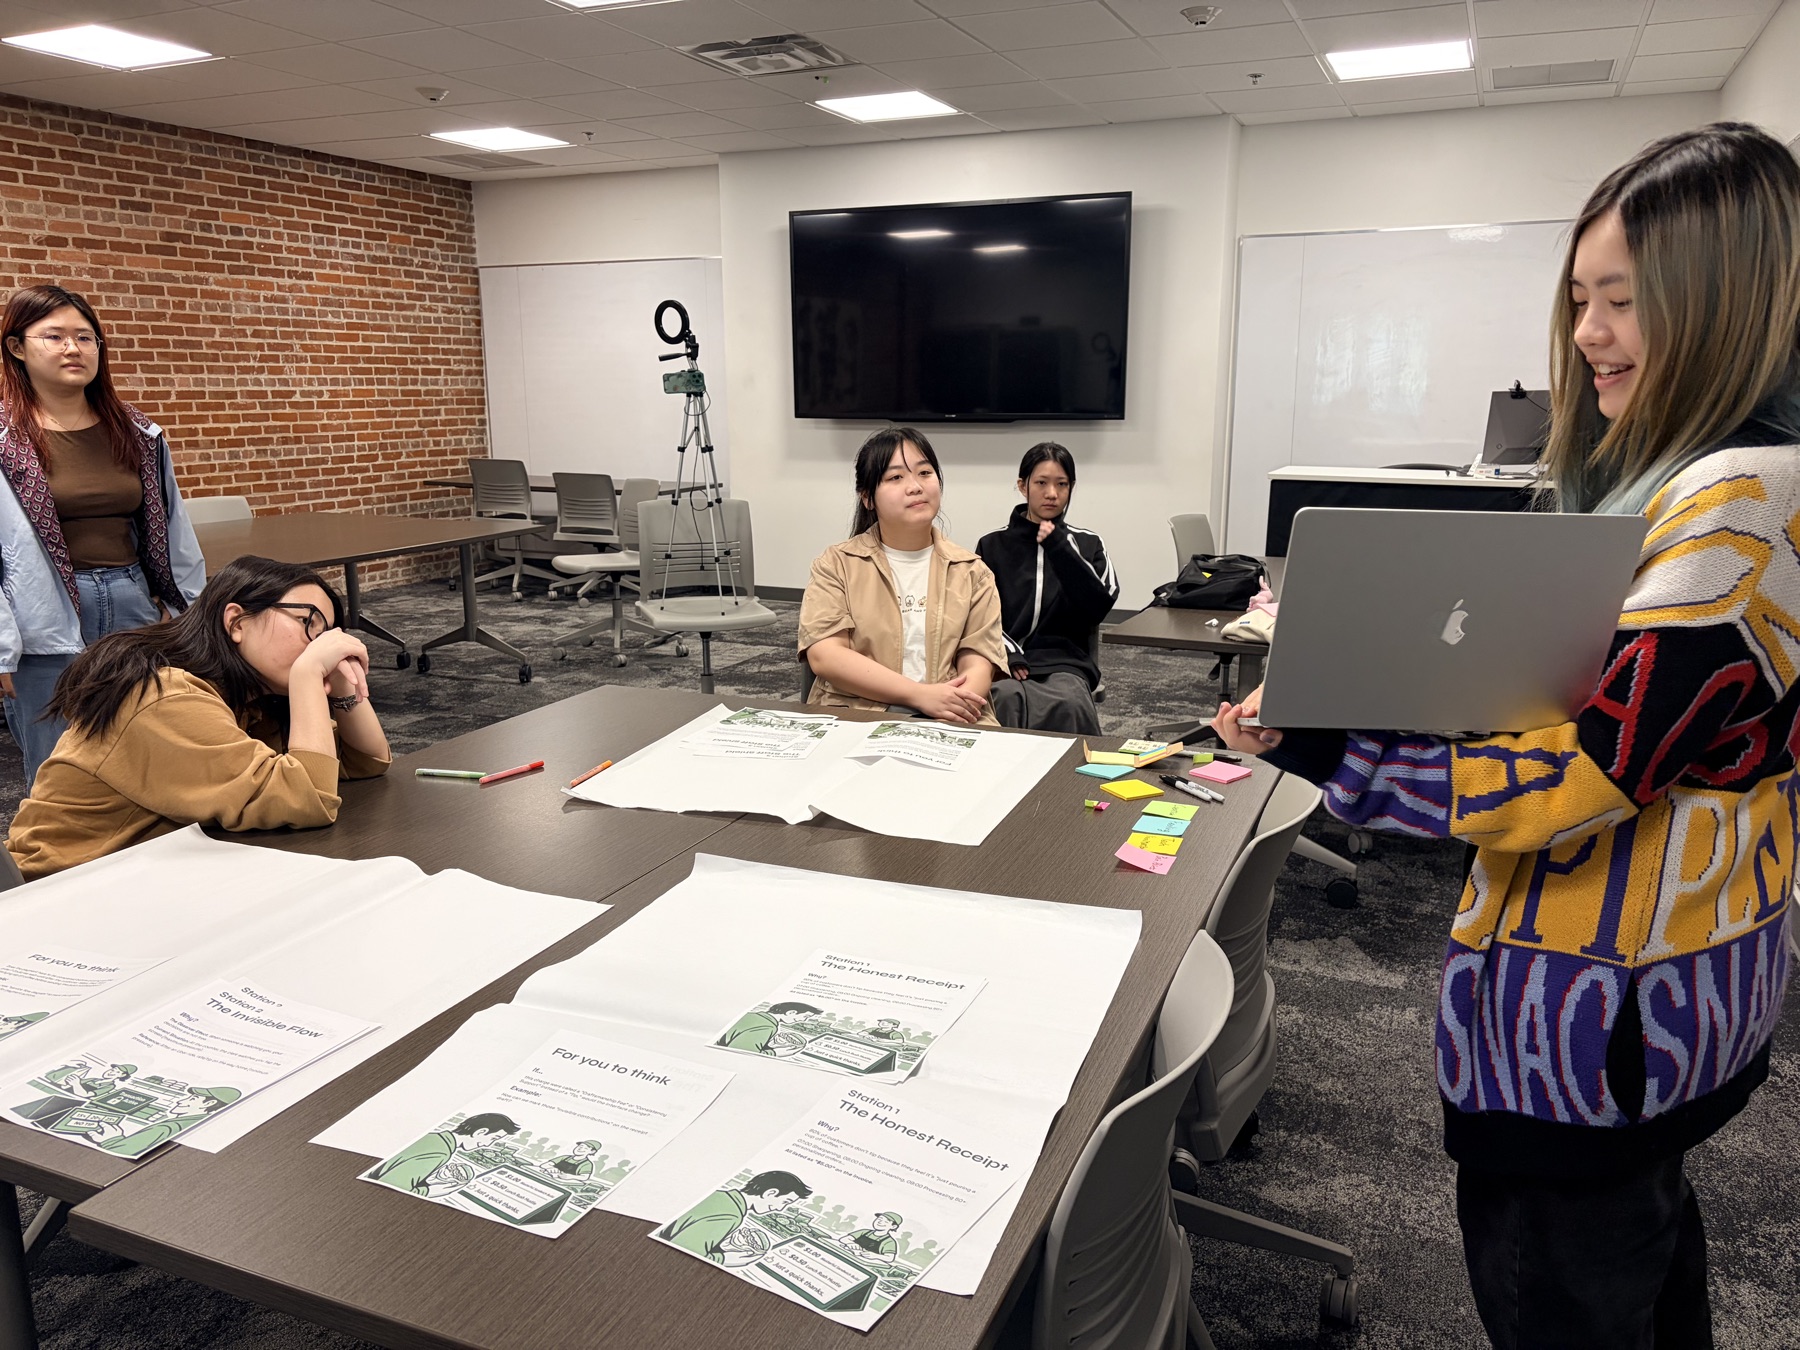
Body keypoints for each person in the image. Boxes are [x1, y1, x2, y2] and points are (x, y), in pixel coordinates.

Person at [1212, 122, 1800, 1349]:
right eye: (1579, 298)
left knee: (1562, 1289)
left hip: (1599, 1025)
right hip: (1665, 1000)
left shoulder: (1737, 502)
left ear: (1727, 302)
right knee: (1642, 1253)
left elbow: (1590, 766)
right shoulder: (1704, 478)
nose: (1587, 334)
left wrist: (1330, 753)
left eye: (1624, 301)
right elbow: (1575, 691)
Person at [5, 555, 391, 879]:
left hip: (147, 877)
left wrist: (342, 684)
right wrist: (307, 675)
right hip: (58, 890)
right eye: (308, 622)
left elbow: (365, 762)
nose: (320, 643)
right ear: (237, 622)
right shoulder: (163, 696)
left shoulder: (248, 698)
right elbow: (308, 799)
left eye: (327, 633)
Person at [0, 285, 205, 790]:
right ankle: (65, 867)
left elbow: (174, 529)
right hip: (39, 620)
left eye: (85, 337)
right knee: (59, 767)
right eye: (54, 336)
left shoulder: (137, 431)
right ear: (17, 347)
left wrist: (187, 611)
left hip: (133, 602)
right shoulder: (4, 440)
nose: (74, 348)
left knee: (146, 748)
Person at [799, 428, 1006, 727]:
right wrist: (919, 696)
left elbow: (979, 662)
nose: (915, 486)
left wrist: (950, 706)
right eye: (896, 477)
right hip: (856, 715)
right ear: (868, 497)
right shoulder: (837, 564)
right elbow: (826, 656)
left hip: (951, 716)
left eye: (924, 472)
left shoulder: (972, 572)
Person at [976, 442, 1119, 734]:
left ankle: (1070, 781)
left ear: (1071, 487)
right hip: (1004, 659)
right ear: (1022, 485)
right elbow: (977, 611)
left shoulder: (1087, 543)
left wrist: (1059, 548)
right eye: (1041, 482)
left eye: (1062, 484)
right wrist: (1007, 651)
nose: (1052, 493)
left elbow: (1097, 605)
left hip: (1064, 661)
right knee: (1001, 700)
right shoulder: (992, 545)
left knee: (1070, 703)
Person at [655, 1169, 812, 1266]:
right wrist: (726, 1259)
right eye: (785, 1202)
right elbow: (685, 1247)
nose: (780, 1209)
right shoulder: (730, 1215)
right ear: (770, 1193)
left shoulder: (721, 1196)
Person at [369, 1113, 521, 1197]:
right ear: (481, 1132)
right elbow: (391, 1182)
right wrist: (435, 1191)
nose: (488, 1145)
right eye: (493, 1139)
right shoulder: (440, 1152)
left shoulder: (435, 1139)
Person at [717, 1001, 821, 1055]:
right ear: (791, 1012)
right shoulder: (767, 1026)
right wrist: (776, 1053)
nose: (804, 1020)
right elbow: (740, 1049)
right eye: (805, 1017)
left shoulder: (753, 1015)